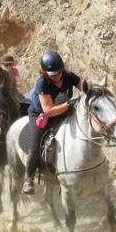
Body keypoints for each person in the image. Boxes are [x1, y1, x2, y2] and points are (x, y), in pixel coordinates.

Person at [21, 50, 82, 195]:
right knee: (35, 147)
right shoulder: (41, 83)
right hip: (40, 114)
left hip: (64, 109)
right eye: (52, 74)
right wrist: (69, 104)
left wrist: (93, 94)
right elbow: (48, 110)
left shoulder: (69, 75)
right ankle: (28, 179)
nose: (57, 76)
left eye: (59, 72)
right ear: (44, 73)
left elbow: (86, 87)